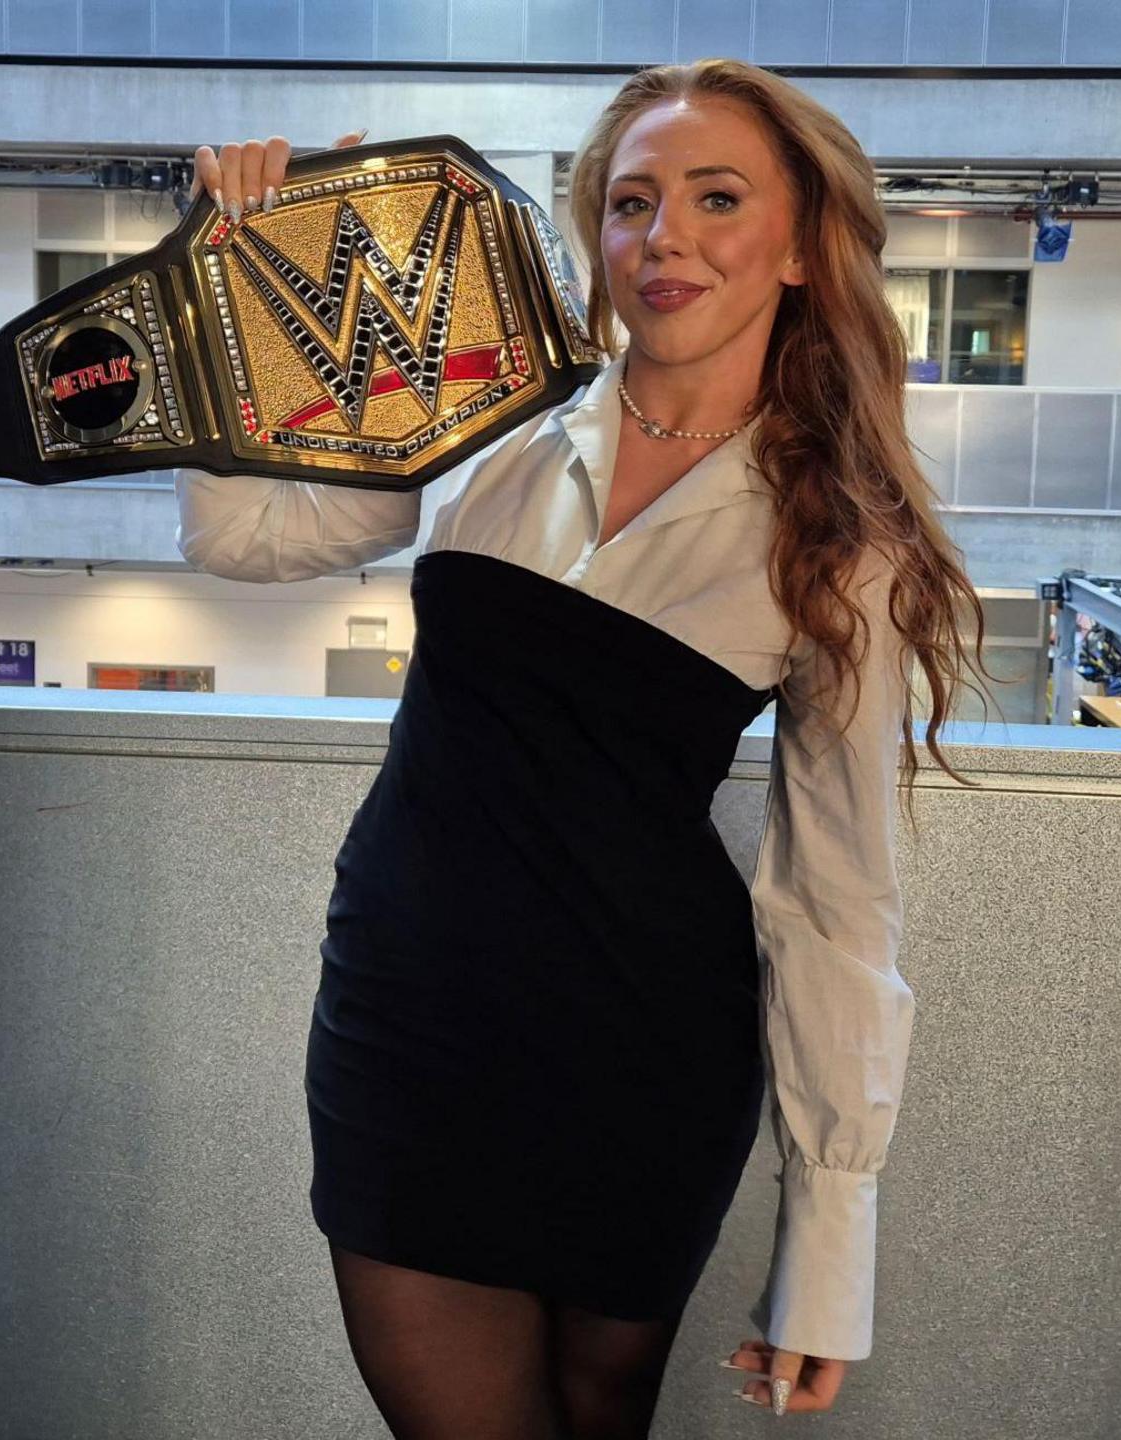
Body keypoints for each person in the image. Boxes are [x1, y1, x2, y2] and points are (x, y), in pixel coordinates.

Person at [179, 60, 991, 1437]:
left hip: (639, 1051)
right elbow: (240, 538)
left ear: (796, 246)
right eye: (630, 203)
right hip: (409, 1016)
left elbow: (839, 904)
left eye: (715, 198)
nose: (663, 237)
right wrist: (242, 281)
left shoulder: (840, 544)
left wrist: (829, 1252)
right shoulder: (496, 414)